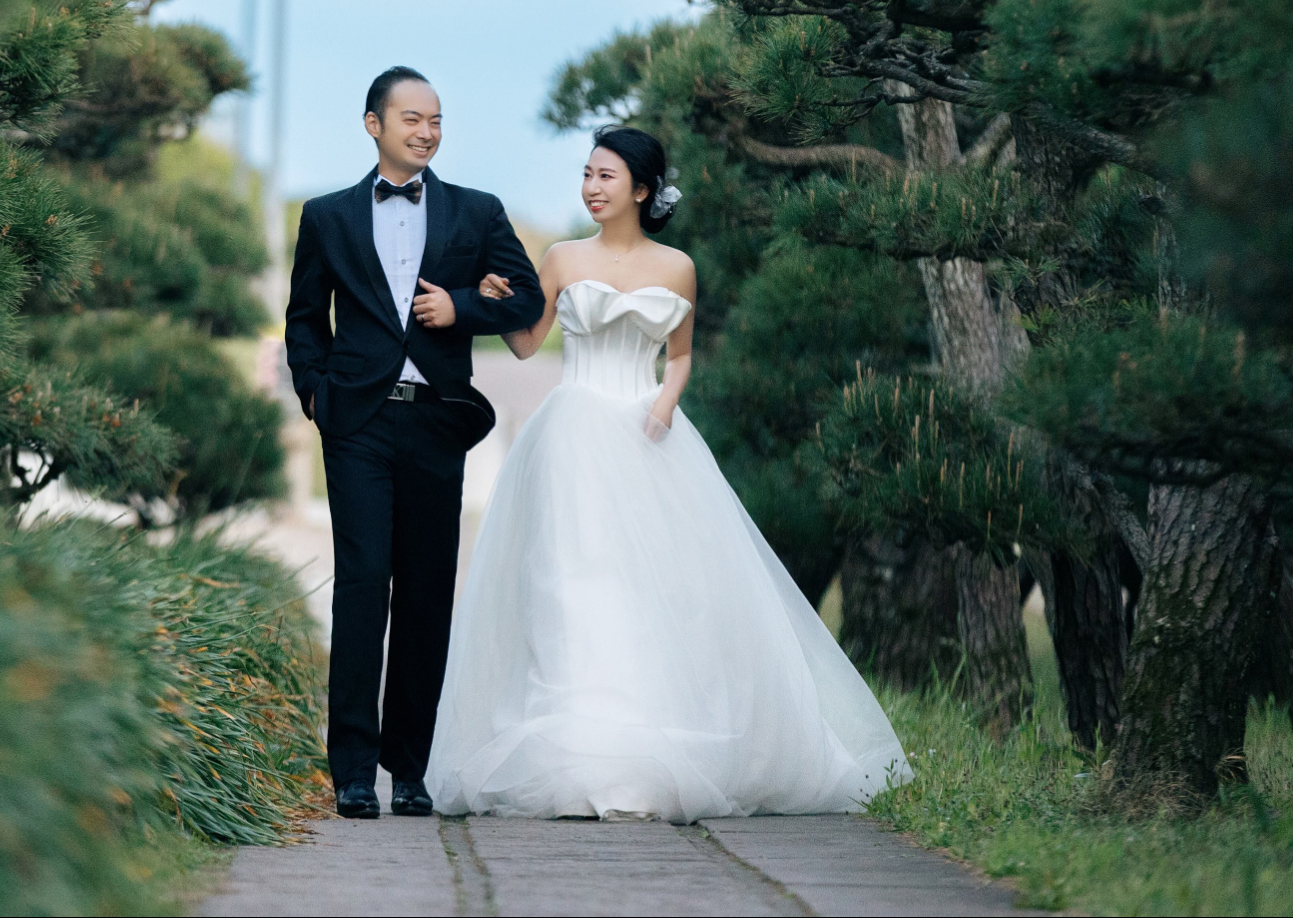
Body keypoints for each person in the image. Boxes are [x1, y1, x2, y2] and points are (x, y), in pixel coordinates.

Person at [424, 125, 908, 821]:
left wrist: (664, 403)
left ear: (642, 190)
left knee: (660, 587)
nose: (591, 187)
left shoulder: (677, 267)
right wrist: (498, 302)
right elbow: (529, 347)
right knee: (571, 582)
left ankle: (652, 743)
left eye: (606, 176)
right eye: (586, 174)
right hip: (573, 435)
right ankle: (579, 746)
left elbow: (678, 355)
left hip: (650, 435)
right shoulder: (559, 258)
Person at [284, 66, 544, 819]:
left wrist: (459, 306)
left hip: (436, 420)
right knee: (364, 585)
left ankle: (412, 768)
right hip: (356, 421)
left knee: (428, 595)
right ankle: (354, 771)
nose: (427, 131)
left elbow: (527, 299)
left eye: (436, 120)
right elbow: (305, 317)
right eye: (411, 119)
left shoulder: (477, 212)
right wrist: (314, 392)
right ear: (374, 125)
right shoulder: (326, 216)